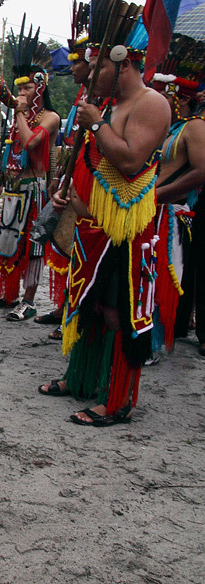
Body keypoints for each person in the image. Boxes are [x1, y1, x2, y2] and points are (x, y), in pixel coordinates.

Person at [39, 6, 170, 427]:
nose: (89, 76)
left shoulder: (152, 103)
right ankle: (81, 379)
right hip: (91, 225)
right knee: (90, 304)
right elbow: (88, 160)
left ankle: (116, 401)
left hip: (125, 231)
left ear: (123, 62)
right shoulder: (109, 103)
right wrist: (65, 197)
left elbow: (131, 161)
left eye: (95, 68)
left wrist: (96, 126)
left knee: (116, 310)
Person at [0, 19, 61, 322]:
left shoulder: (50, 116)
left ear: (40, 87)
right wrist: (1, 184)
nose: (23, 93)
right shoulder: (23, 117)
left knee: (33, 244)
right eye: (20, 88)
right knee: (7, 241)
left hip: (36, 188)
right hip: (15, 188)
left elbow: (29, 144)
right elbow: (9, 153)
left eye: (28, 87)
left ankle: (28, 300)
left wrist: (19, 113)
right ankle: (7, 293)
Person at [37, 8, 91, 338]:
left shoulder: (97, 103)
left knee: (82, 254)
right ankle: (65, 308)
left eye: (76, 62)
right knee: (66, 251)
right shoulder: (80, 100)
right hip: (71, 186)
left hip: (91, 196)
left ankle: (77, 315)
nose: (70, 69)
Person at [149, 35, 205, 356]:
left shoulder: (194, 128)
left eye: (162, 93)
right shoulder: (170, 127)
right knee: (148, 276)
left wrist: (159, 194)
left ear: (177, 95)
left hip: (172, 215)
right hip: (155, 211)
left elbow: (201, 171)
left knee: (163, 279)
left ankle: (157, 341)